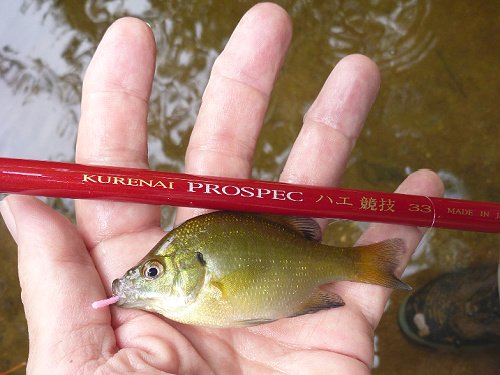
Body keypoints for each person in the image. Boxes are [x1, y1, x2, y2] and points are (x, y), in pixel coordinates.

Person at [0, 3, 443, 374]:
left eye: (153, 272)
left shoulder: (195, 291)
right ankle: (362, 264)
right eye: (150, 271)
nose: (142, 278)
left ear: (194, 268)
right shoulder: (186, 294)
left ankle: (363, 264)